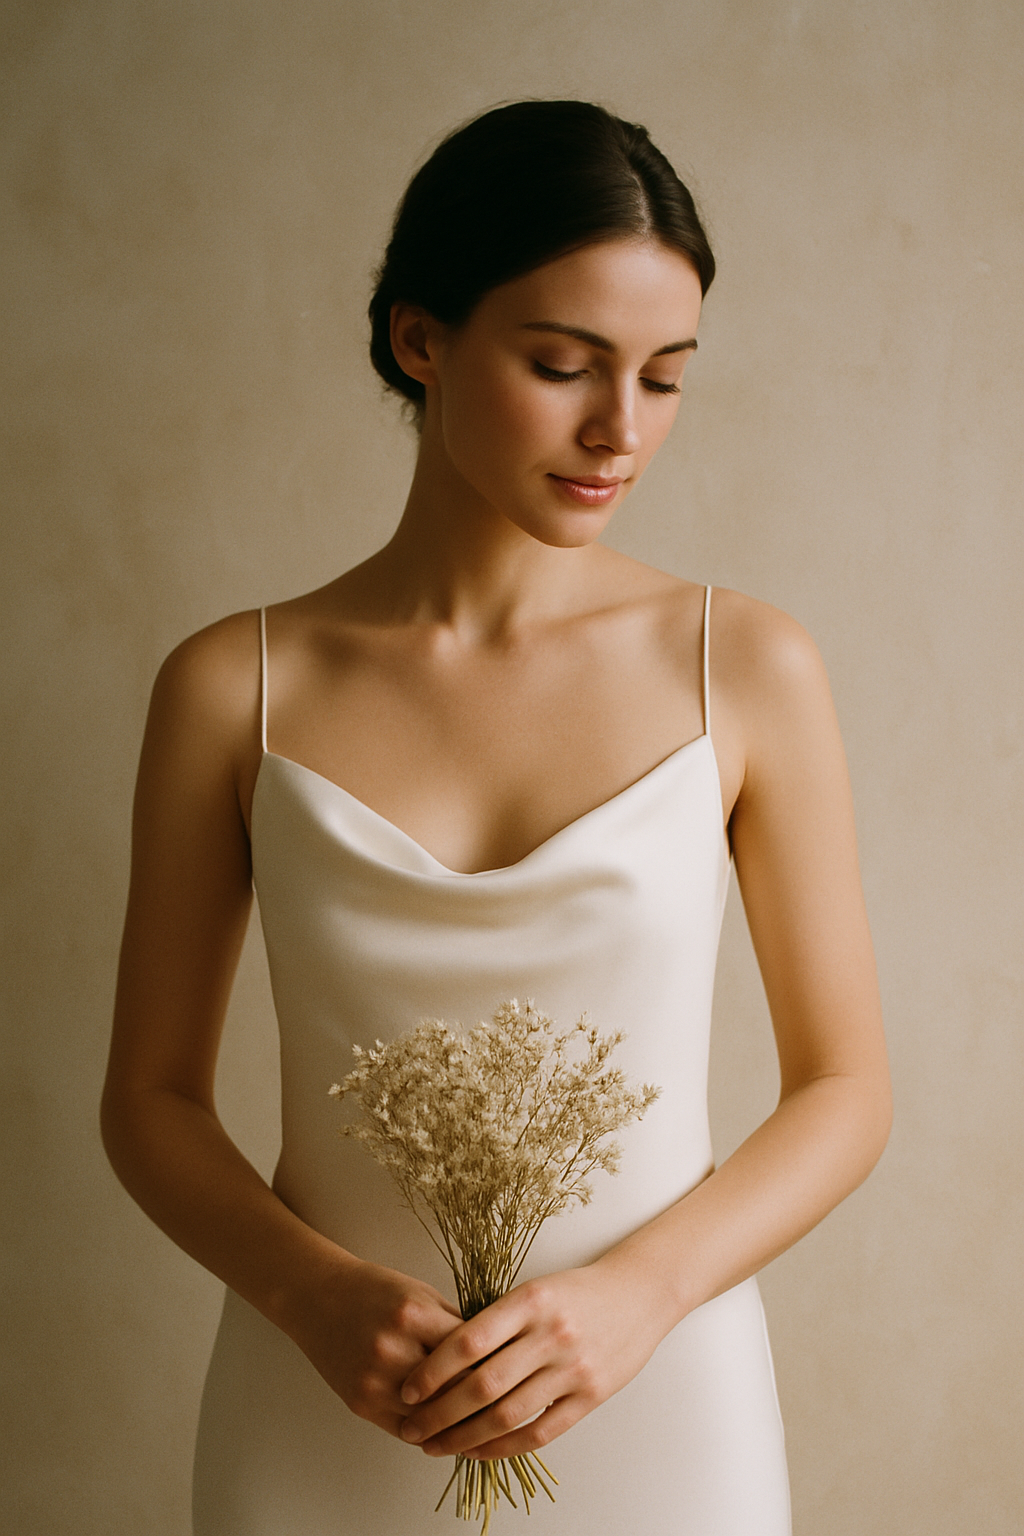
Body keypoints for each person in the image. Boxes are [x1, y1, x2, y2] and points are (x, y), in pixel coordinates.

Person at [101, 100, 891, 1535]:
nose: (620, 431)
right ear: (422, 340)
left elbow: (845, 1089)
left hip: (662, 1397)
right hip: (324, 1400)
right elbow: (150, 1100)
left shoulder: (749, 668)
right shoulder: (236, 687)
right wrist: (310, 1293)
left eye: (665, 379)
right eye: (561, 366)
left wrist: (638, 1296)